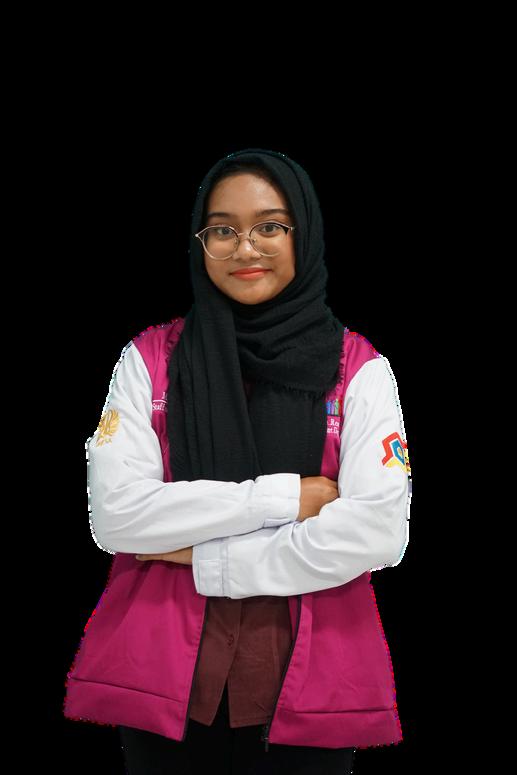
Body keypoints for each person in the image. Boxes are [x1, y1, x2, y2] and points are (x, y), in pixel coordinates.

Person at [64, 148, 410, 774]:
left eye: (270, 226)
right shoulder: (150, 361)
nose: (245, 248)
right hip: (165, 676)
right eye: (222, 230)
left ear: (303, 233)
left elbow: (378, 533)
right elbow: (117, 517)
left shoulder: (360, 370)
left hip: (310, 678)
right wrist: (290, 499)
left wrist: (203, 558)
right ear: (200, 242)